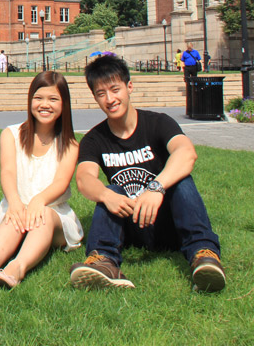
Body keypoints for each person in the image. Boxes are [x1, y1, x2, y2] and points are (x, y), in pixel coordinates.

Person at [69, 55, 225, 292]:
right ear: (95, 98)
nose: (110, 99)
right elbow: (84, 178)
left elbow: (186, 153)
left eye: (115, 89)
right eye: (101, 94)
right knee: (110, 191)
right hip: (130, 221)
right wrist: (106, 195)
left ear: (129, 87)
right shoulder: (94, 139)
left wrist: (156, 187)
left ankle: (204, 255)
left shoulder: (158, 123)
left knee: (181, 181)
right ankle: (103, 261)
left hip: (169, 220)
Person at [0, 71, 82, 289]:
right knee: (16, 214)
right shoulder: (11, 134)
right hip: (16, 207)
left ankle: (17, 268)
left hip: (52, 212)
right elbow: (8, 172)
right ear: (30, 100)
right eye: (38, 98)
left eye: (53, 99)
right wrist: (14, 201)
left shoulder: (70, 144)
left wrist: (38, 201)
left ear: (64, 104)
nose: (45, 105)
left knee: (44, 215)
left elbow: (61, 182)